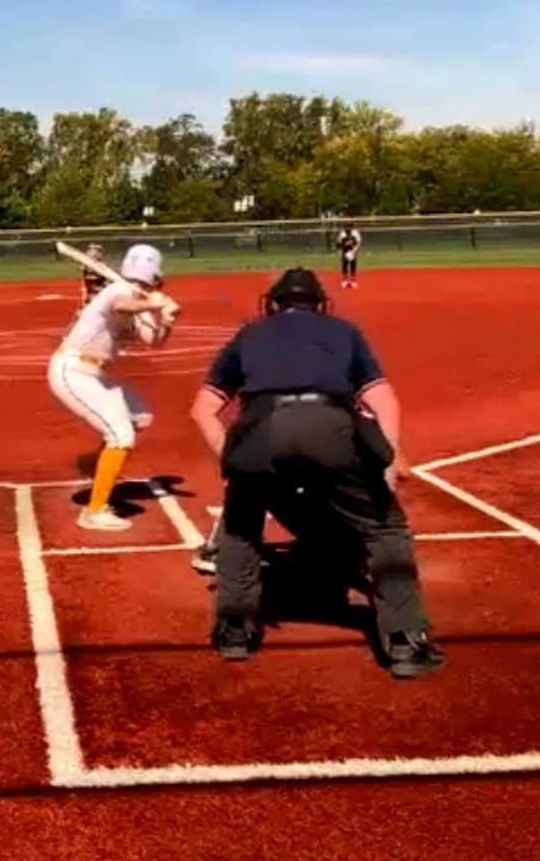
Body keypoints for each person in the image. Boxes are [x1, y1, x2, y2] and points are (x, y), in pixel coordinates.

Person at [188, 267, 443, 677]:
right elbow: (383, 400)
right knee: (384, 529)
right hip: (331, 426)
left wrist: (236, 462)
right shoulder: (345, 331)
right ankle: (405, 643)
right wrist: (389, 460)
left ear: (273, 304)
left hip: (261, 430)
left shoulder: (248, 335)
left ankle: (234, 631)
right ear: (320, 304)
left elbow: (202, 410)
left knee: (240, 525)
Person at [48, 244, 178, 532]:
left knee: (139, 416)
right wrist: (153, 303)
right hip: (73, 369)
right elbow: (120, 305)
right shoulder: (117, 291)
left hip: (97, 374)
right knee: (121, 435)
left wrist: (167, 322)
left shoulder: (139, 302)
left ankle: (94, 463)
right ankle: (94, 511)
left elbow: (154, 341)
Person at [334, 224, 362, 289]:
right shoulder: (342, 234)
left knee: (353, 264)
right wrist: (340, 253)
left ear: (352, 227)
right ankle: (344, 280)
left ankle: (353, 280)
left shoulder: (355, 233)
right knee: (345, 264)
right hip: (344, 250)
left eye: (349, 227)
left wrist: (353, 251)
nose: (348, 229)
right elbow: (338, 244)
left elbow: (358, 243)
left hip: (352, 250)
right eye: (346, 227)